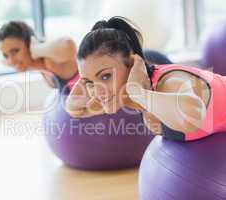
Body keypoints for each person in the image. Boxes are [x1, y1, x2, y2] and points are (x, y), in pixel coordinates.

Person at [65, 16, 226, 142]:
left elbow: (193, 117)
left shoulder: (170, 84)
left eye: (106, 76)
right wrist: (86, 81)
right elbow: (75, 110)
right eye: (91, 83)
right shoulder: (120, 96)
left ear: (132, 63)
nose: (98, 92)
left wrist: (137, 92)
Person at [0, 21, 79, 92]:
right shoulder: (43, 70)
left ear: (29, 44)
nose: (11, 61)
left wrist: (36, 49)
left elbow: (69, 45)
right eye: (6, 55)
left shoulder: (51, 60)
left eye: (15, 51)